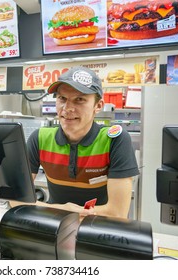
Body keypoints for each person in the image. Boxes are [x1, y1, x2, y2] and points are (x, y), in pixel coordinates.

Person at [16, 66, 139, 219]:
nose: (67, 108)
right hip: (53, 226)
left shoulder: (114, 140)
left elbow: (117, 212)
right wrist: (63, 210)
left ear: (98, 106)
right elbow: (16, 200)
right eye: (62, 99)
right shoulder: (40, 138)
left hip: (99, 230)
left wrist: (64, 211)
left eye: (79, 100)